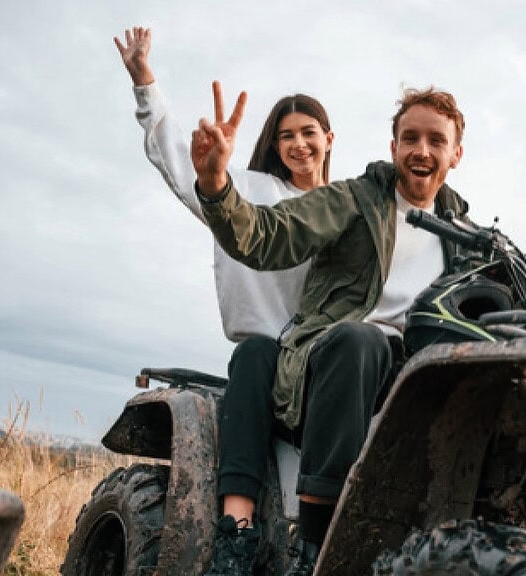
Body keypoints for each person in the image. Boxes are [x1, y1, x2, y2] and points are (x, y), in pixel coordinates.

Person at [190, 83, 526, 576]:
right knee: (361, 338)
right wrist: (216, 188)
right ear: (393, 147)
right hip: (333, 369)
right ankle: (315, 548)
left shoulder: (470, 236)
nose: (422, 149)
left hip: (417, 378)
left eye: (436, 140)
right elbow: (268, 237)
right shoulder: (353, 202)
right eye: (410, 138)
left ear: (456, 154)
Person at [114, 27, 337, 576]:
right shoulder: (252, 192)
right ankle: (235, 533)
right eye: (286, 135)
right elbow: (185, 168)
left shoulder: (345, 209)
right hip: (266, 358)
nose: (298, 144)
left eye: (309, 132)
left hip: (326, 363)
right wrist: (146, 84)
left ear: (329, 138)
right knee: (256, 354)